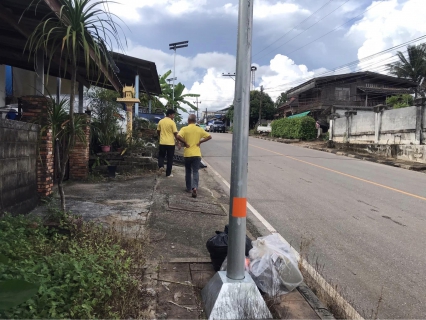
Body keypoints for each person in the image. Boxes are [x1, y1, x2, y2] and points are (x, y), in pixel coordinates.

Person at [177, 114, 212, 198]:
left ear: (188, 121)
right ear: (195, 121)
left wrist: (184, 143)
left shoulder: (184, 129)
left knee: (188, 171)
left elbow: (178, 136)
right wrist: (200, 142)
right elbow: (209, 136)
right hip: (197, 154)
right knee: (195, 171)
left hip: (187, 154)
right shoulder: (199, 129)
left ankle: (189, 188)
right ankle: (195, 187)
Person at [157, 109, 179, 177]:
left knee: (161, 156)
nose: (174, 116)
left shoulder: (161, 121)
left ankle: (161, 166)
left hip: (162, 142)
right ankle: (168, 174)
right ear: (169, 115)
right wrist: (178, 142)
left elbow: (158, 131)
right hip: (170, 143)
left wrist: (161, 136)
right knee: (170, 158)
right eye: (173, 115)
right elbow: (175, 133)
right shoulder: (172, 122)